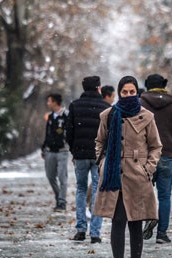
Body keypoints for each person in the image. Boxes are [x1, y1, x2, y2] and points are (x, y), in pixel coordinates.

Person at [93, 76, 162, 258]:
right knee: (118, 221)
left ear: (137, 92)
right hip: (114, 174)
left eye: (132, 91)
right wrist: (102, 165)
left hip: (137, 175)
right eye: (125, 92)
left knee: (135, 222)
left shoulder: (146, 117)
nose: (129, 95)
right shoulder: (108, 115)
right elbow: (99, 142)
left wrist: (148, 168)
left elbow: (156, 146)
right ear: (119, 93)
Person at [140, 74, 172, 244]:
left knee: (145, 193)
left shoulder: (141, 103)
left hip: (146, 155)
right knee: (165, 196)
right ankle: (162, 233)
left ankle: (147, 221)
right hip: (168, 154)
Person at [66, 76, 111, 243]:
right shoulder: (105, 107)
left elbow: (69, 132)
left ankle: (80, 229)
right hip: (99, 156)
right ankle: (95, 232)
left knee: (81, 189)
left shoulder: (75, 106)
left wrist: (74, 150)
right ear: (98, 88)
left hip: (80, 155)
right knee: (98, 191)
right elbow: (108, 134)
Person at [41, 93, 69, 212]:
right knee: (50, 176)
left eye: (49, 101)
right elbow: (47, 133)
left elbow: (70, 131)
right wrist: (44, 147)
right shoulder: (51, 117)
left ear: (55, 102)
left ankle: (62, 202)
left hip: (62, 151)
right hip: (50, 151)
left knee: (62, 177)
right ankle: (58, 196)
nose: (48, 104)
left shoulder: (66, 115)